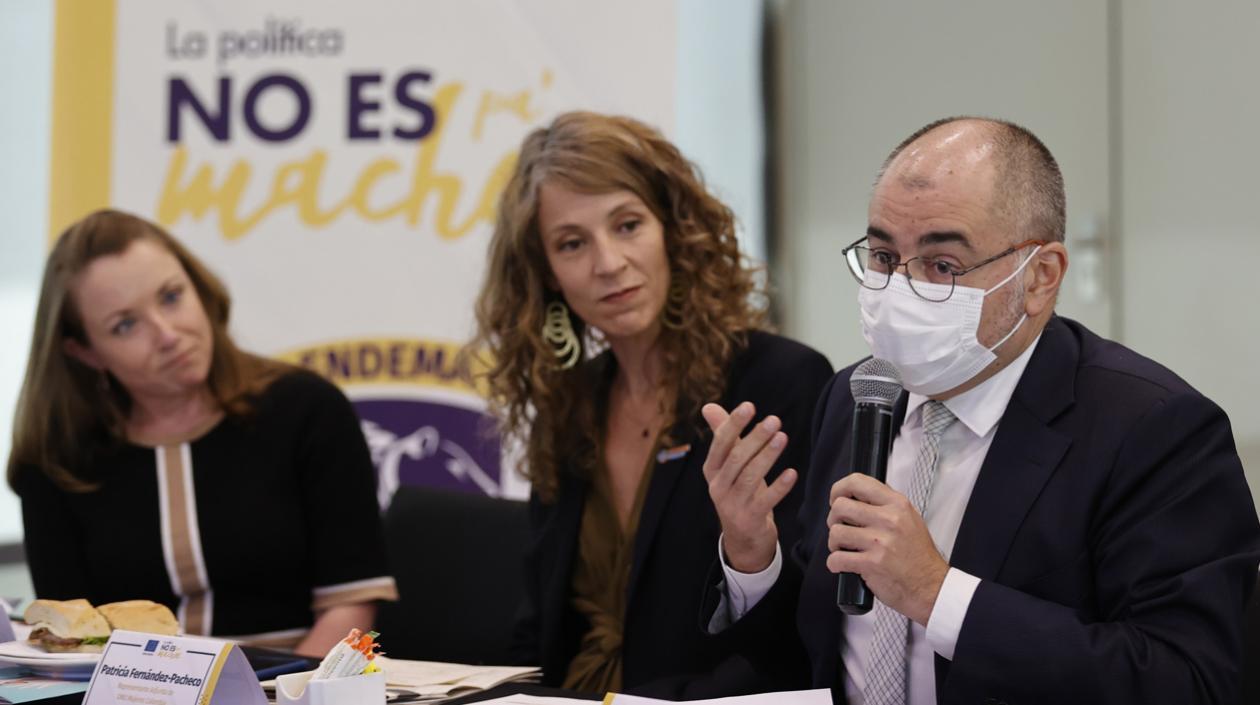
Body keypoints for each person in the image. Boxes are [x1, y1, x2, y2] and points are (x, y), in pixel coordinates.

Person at [702, 117, 1260, 704]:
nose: (899, 290)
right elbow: (821, 653)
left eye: (942, 265)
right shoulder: (856, 396)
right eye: (884, 256)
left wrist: (936, 593)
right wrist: (753, 558)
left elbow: (1186, 680)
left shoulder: (1155, 429)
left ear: (1040, 277)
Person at [466, 111, 833, 697]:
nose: (608, 263)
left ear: (674, 229)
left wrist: (749, 552)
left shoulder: (780, 381)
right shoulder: (568, 406)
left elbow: (805, 634)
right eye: (572, 243)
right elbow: (537, 630)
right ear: (547, 274)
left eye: (628, 225)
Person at [8, 209, 398, 657]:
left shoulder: (307, 409)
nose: (167, 334)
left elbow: (351, 606)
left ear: (201, 289)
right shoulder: (57, 460)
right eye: (126, 325)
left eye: (172, 296)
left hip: (297, 678)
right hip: (131, 688)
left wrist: (279, 688)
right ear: (84, 352)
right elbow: (70, 640)